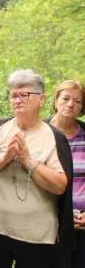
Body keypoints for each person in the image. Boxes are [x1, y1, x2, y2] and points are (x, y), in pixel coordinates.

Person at [0, 69, 75, 268]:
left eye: (24, 94)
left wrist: (29, 161)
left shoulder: (54, 136)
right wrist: (4, 158)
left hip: (36, 236)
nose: (17, 100)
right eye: (13, 95)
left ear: (41, 99)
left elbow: (60, 186)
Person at [47, 80, 85, 268]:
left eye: (77, 101)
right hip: (48, 222)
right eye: (66, 98)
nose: (70, 105)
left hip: (82, 223)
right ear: (56, 100)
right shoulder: (40, 132)